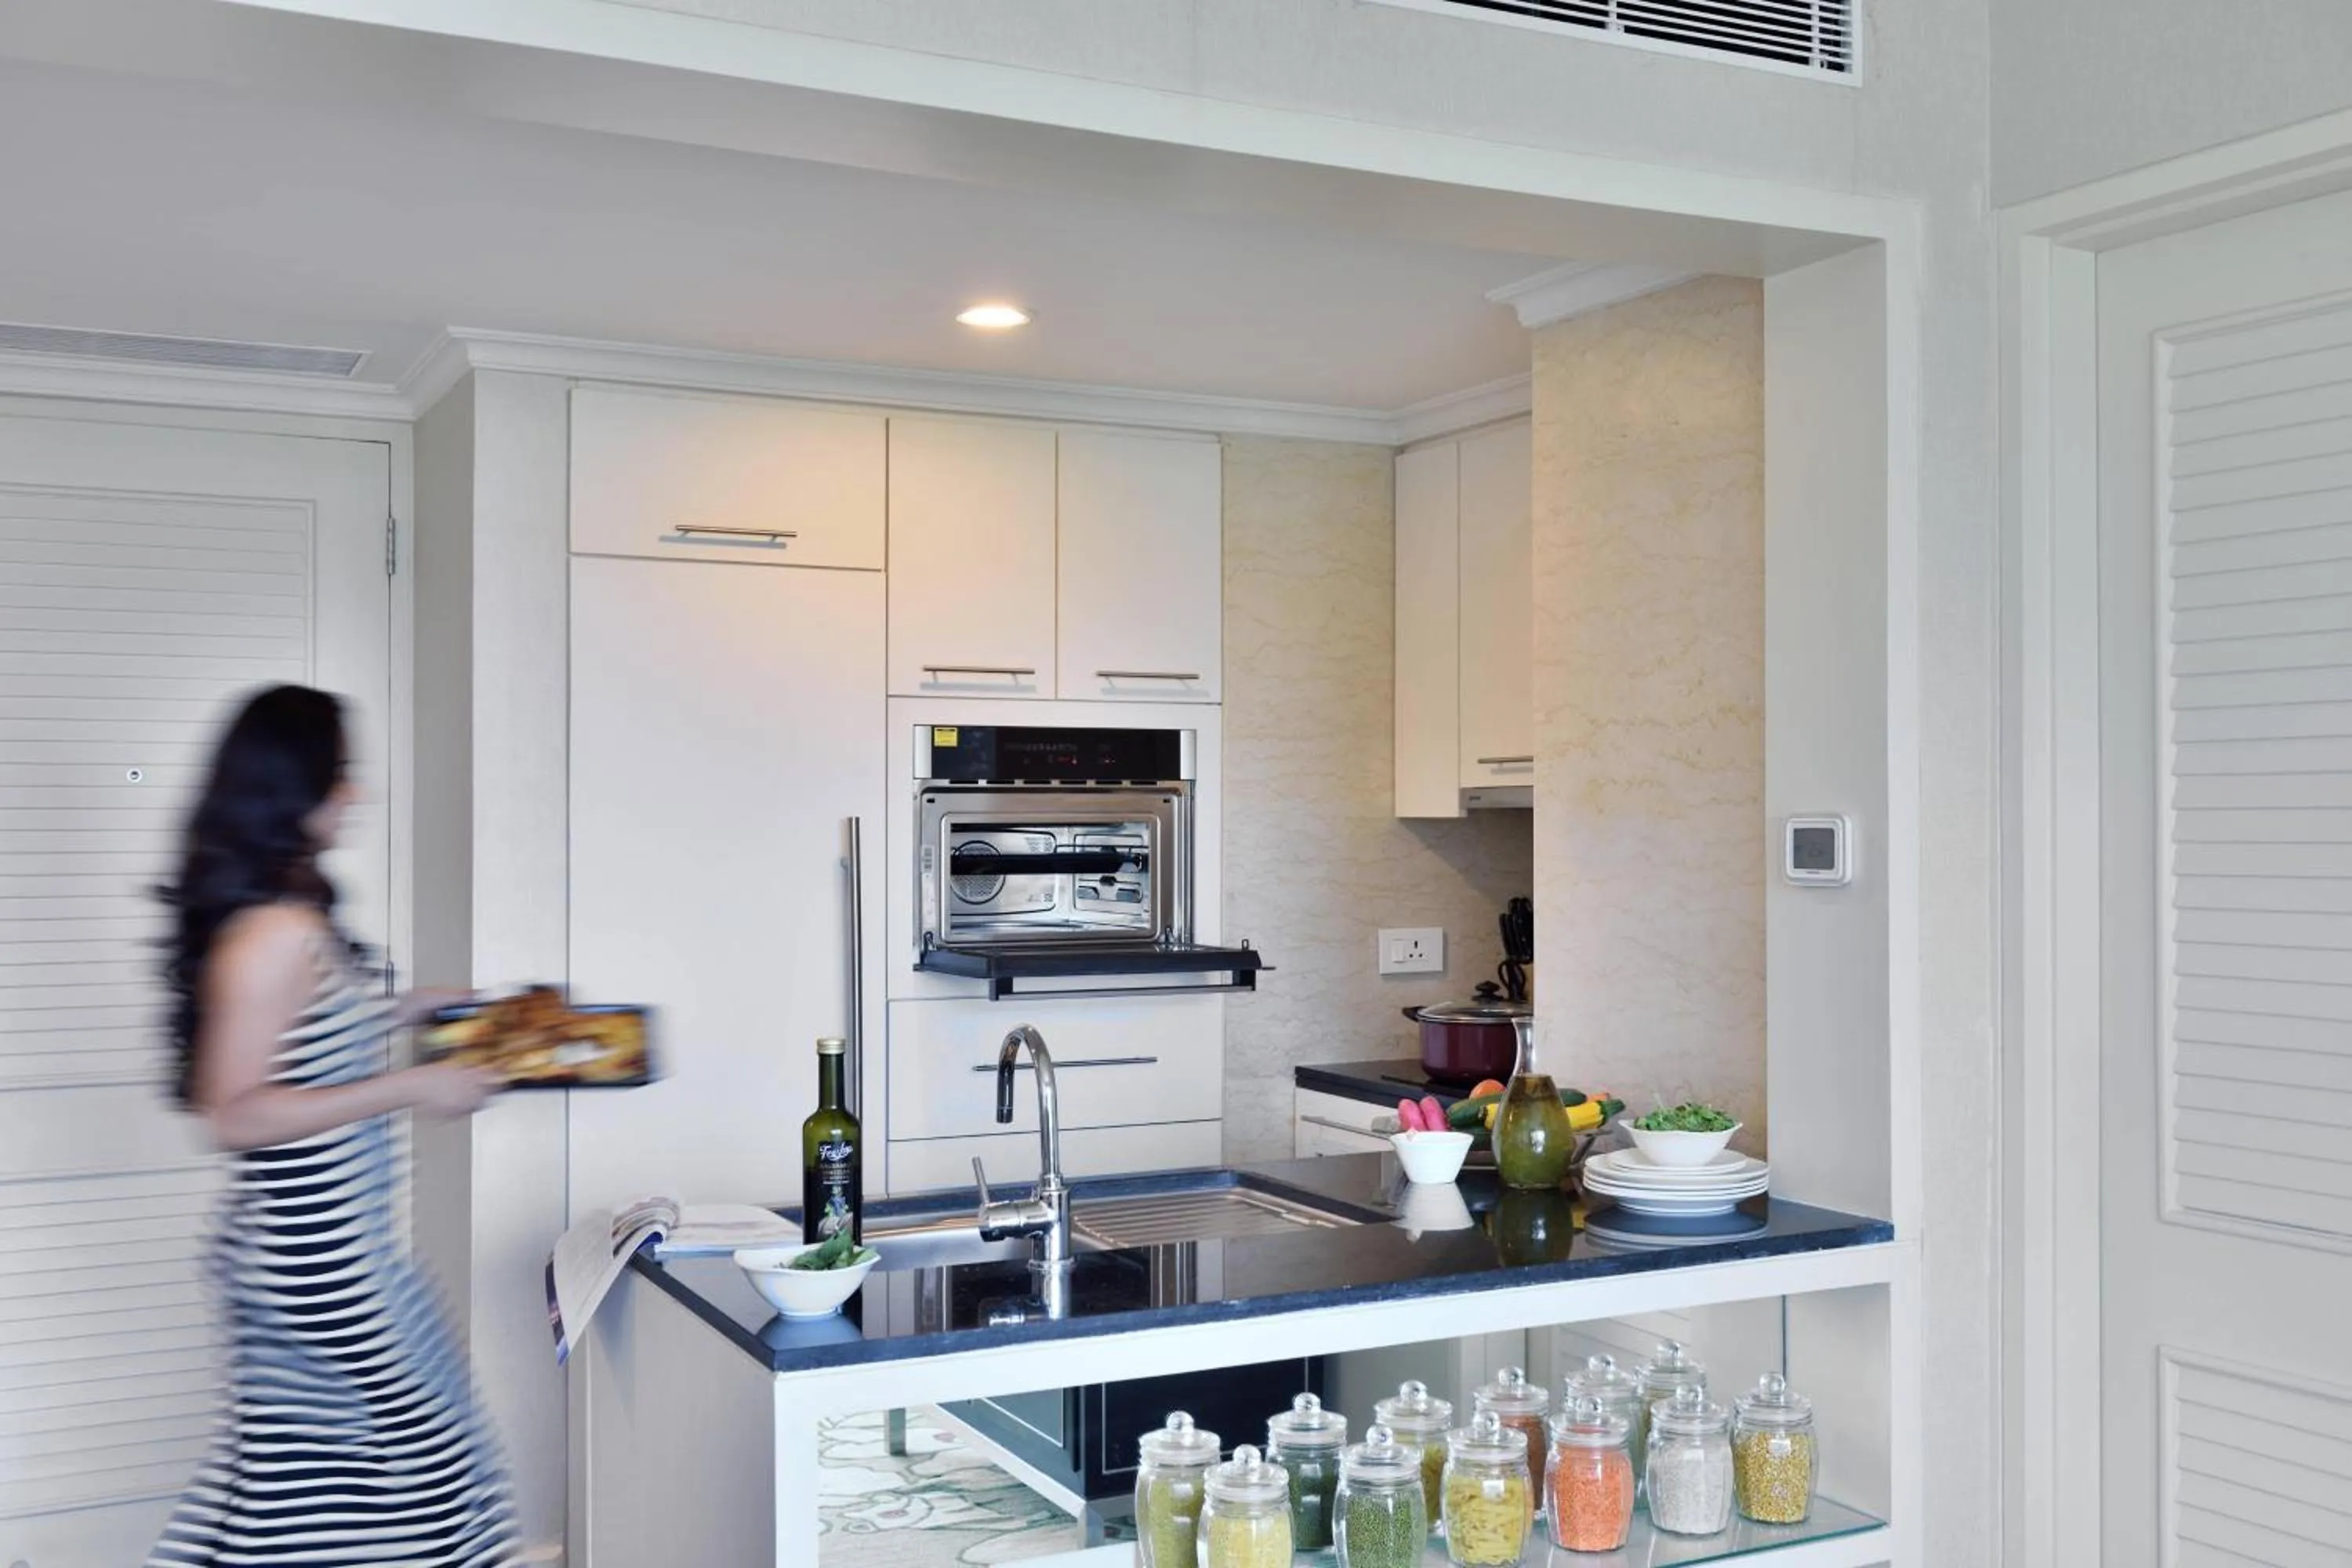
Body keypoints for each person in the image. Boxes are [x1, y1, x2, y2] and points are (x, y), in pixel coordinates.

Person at [148, 684, 517, 1568]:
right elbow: (233, 1110)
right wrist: (413, 1087)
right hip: (312, 1259)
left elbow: (304, 1036)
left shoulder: (289, 907)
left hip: (330, 1247)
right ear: (293, 783)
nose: (356, 792)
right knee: (418, 1474)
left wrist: (411, 1009)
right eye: (341, 773)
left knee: (333, 1474)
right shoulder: (270, 929)